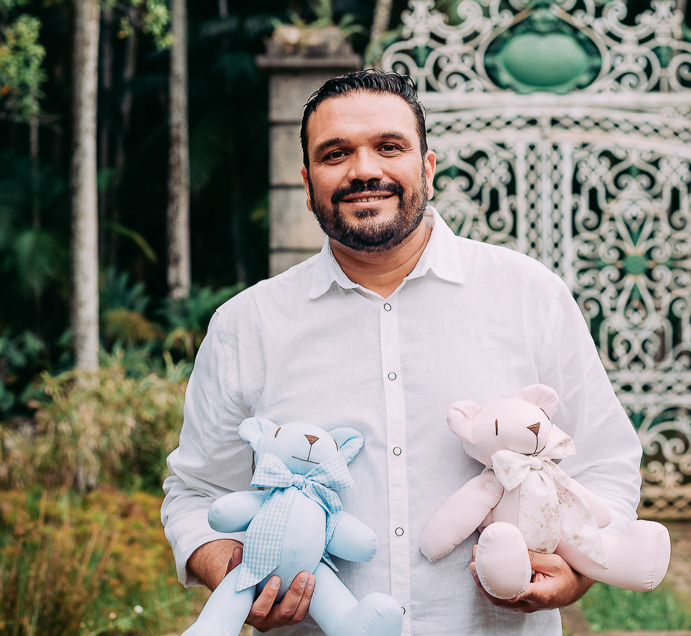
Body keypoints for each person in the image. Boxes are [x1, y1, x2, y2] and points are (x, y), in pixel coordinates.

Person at [161, 70, 644, 636]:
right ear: (307, 179)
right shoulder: (247, 324)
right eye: (336, 153)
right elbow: (197, 492)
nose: (364, 170)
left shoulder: (529, 294)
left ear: (428, 168)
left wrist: (578, 571)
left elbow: (604, 462)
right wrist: (238, 574)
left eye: (389, 147)